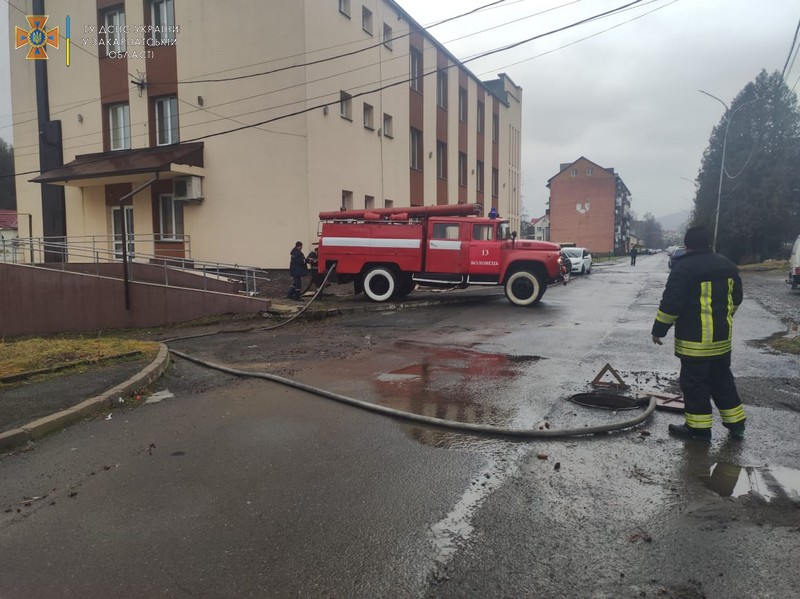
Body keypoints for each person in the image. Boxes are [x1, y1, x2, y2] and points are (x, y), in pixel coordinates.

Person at [651, 225, 746, 441]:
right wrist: (723, 318)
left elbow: (671, 304)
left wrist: (659, 331)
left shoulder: (684, 268)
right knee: (722, 380)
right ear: (709, 244)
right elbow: (736, 299)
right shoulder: (728, 266)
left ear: (687, 245)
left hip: (695, 342)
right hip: (721, 341)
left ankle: (698, 429)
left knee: (695, 384)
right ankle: (737, 424)